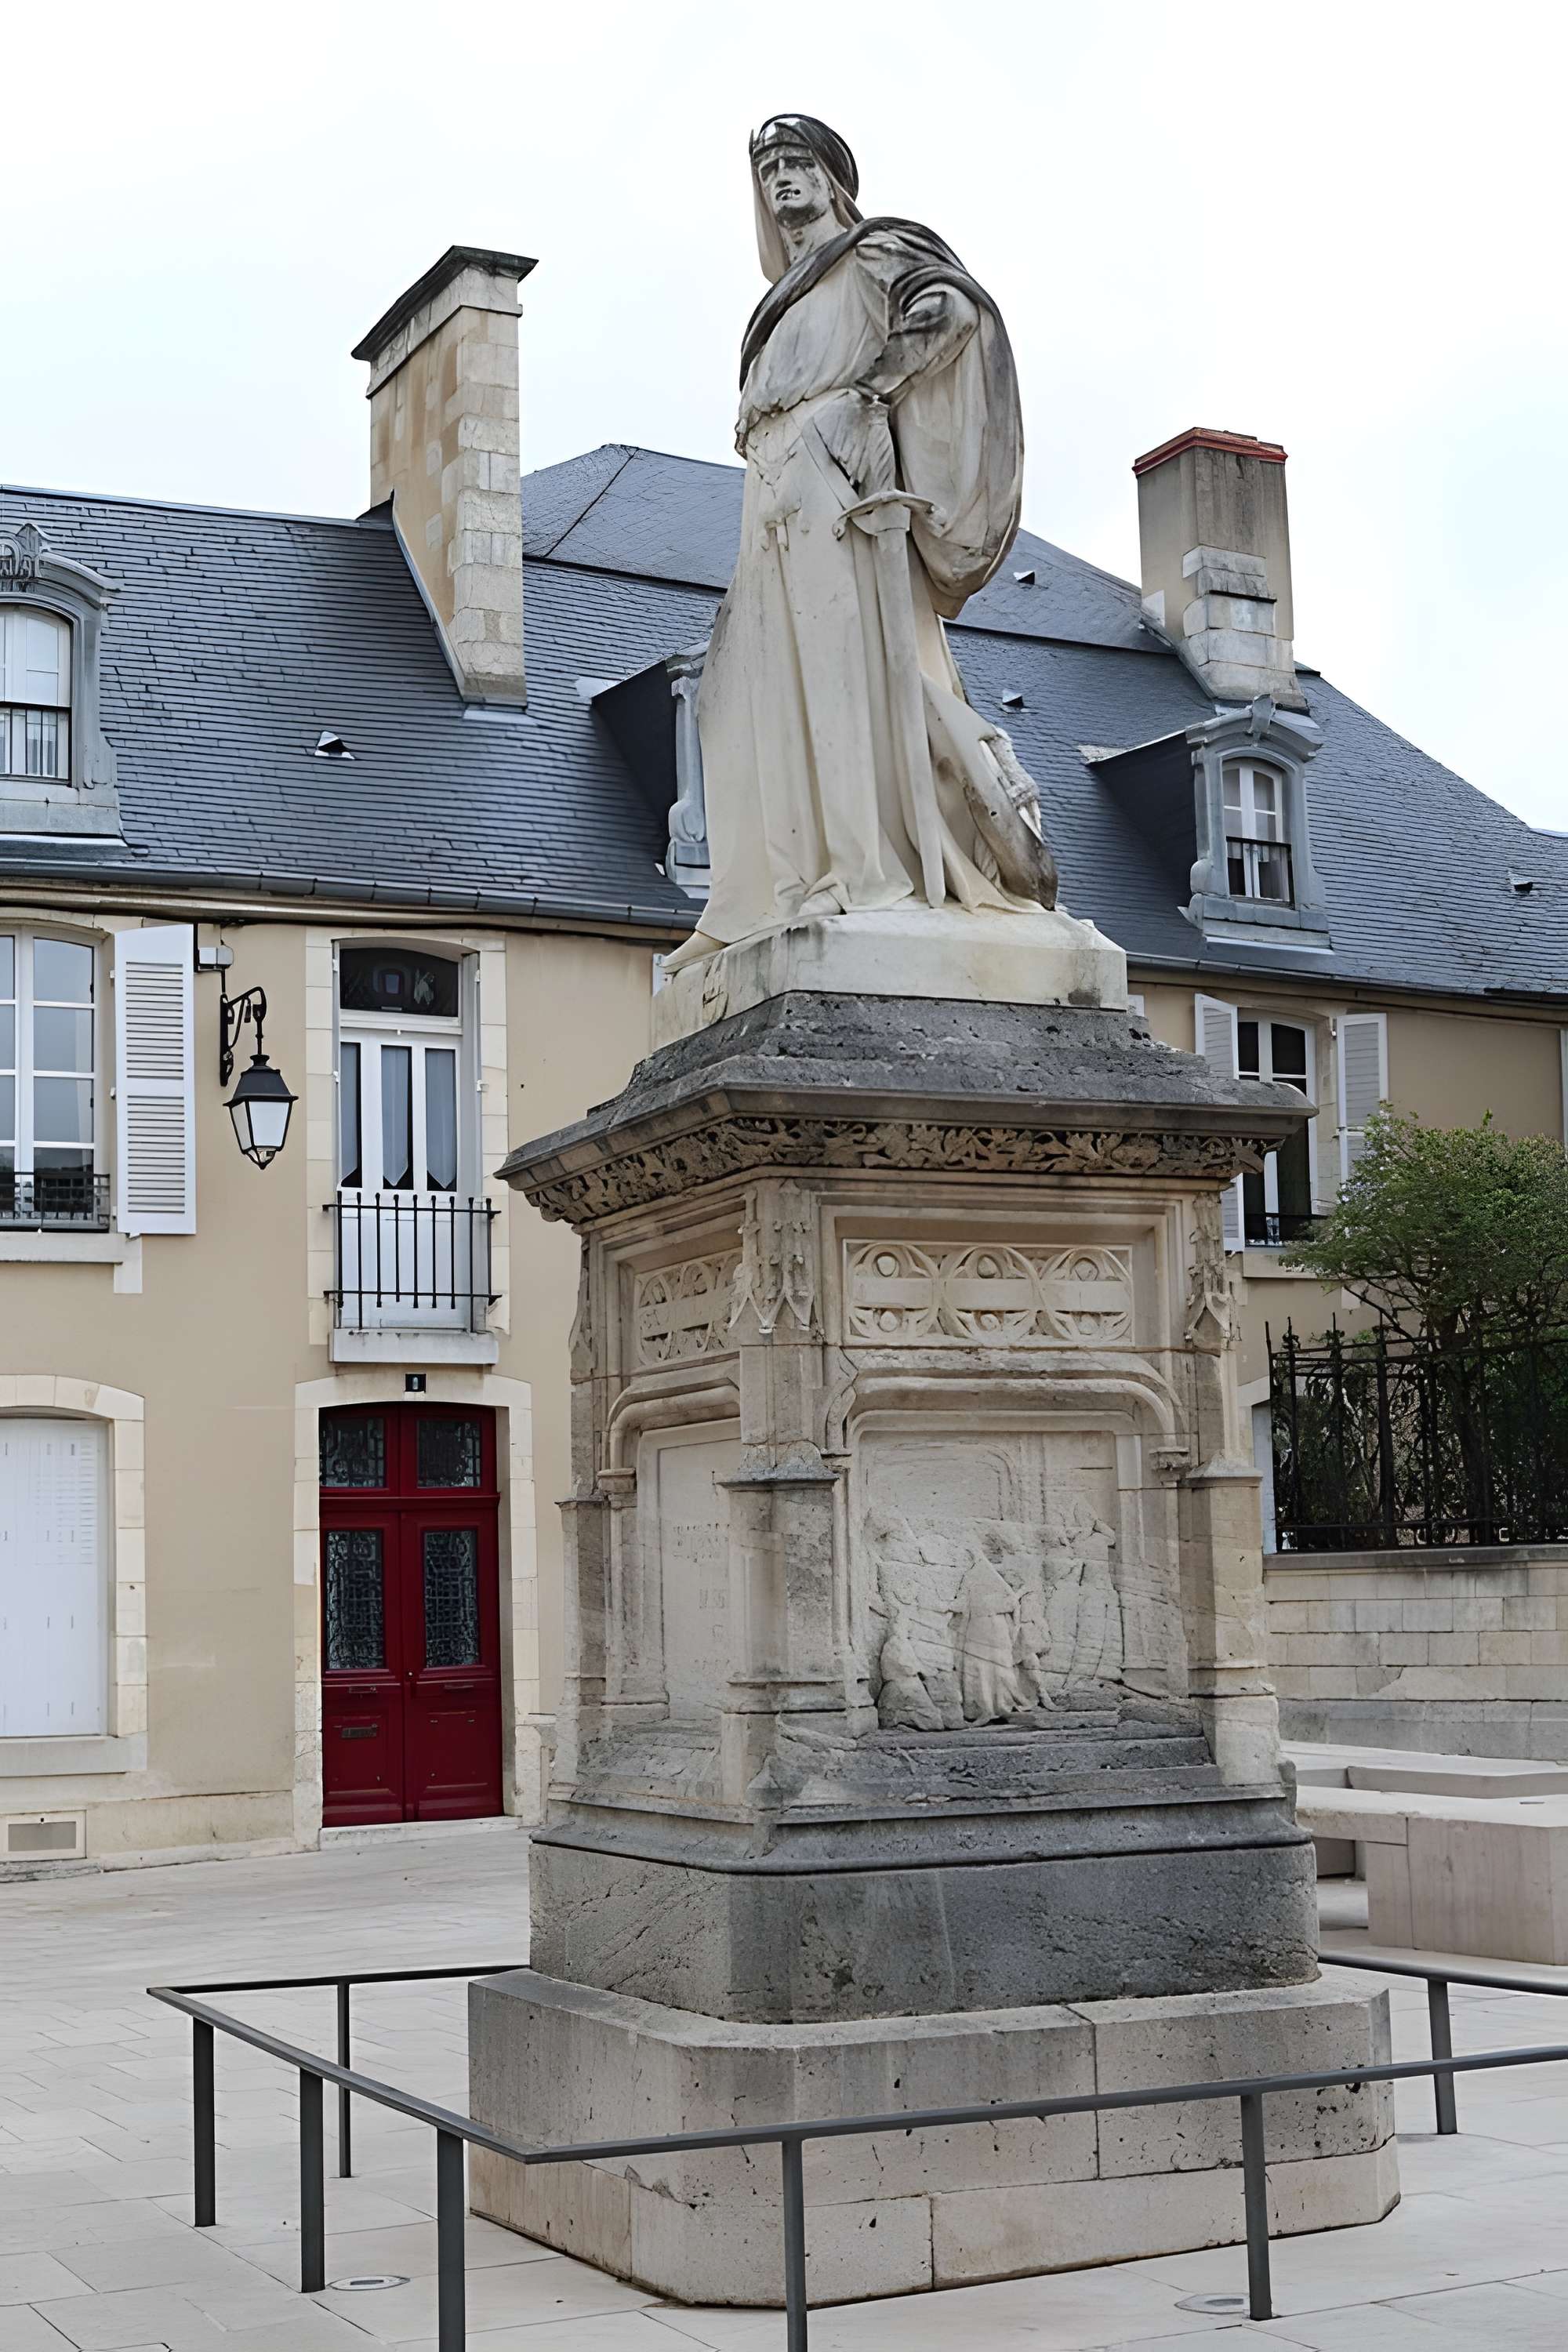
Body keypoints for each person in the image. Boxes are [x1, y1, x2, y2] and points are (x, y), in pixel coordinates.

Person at [666, 114, 1055, 972]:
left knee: (845, 673)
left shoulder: (875, 251)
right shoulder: (781, 296)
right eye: (768, 169)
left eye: (798, 163)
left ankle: (858, 867)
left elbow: (950, 310)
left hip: (833, 469)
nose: (781, 180)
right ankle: (757, 892)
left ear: (836, 179)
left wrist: (870, 391)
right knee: (744, 686)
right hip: (768, 478)